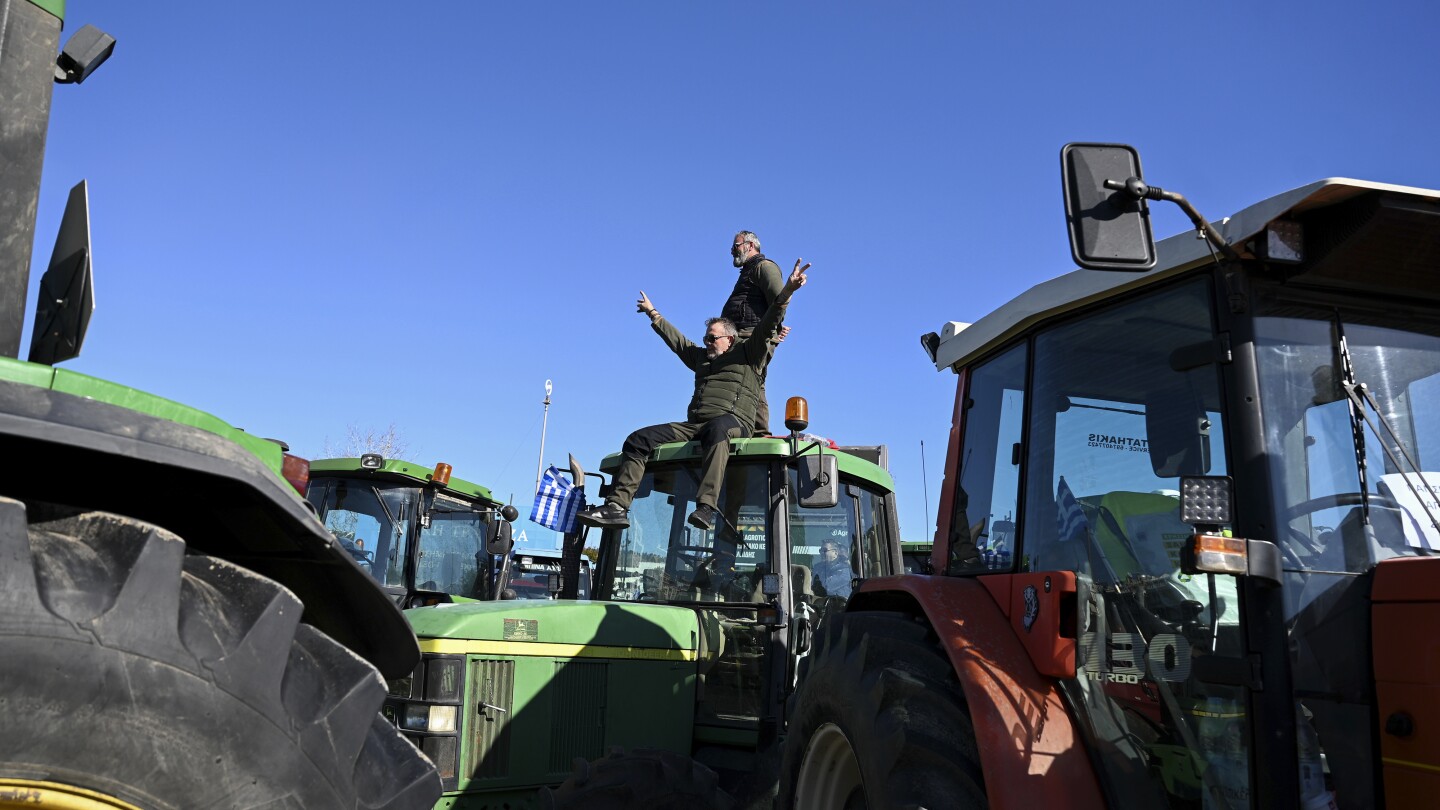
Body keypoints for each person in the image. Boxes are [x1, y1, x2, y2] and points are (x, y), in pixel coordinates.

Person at [577, 259, 812, 531]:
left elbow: (771, 318)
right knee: (639, 439)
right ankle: (618, 506)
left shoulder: (749, 353)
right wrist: (654, 315)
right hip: (695, 426)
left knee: (717, 430)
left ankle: (707, 507)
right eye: (705, 337)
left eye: (713, 338)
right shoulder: (701, 358)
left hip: (734, 422)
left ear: (730, 340)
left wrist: (788, 291)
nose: (707, 342)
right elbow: (678, 343)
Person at [724, 231, 788, 433]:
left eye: (736, 245)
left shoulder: (764, 267)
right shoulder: (749, 272)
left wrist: (773, 330)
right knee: (746, 381)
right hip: (741, 337)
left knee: (752, 380)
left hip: (751, 337)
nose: (732, 250)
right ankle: (751, 429)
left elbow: (779, 301)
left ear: (750, 245)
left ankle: (760, 432)